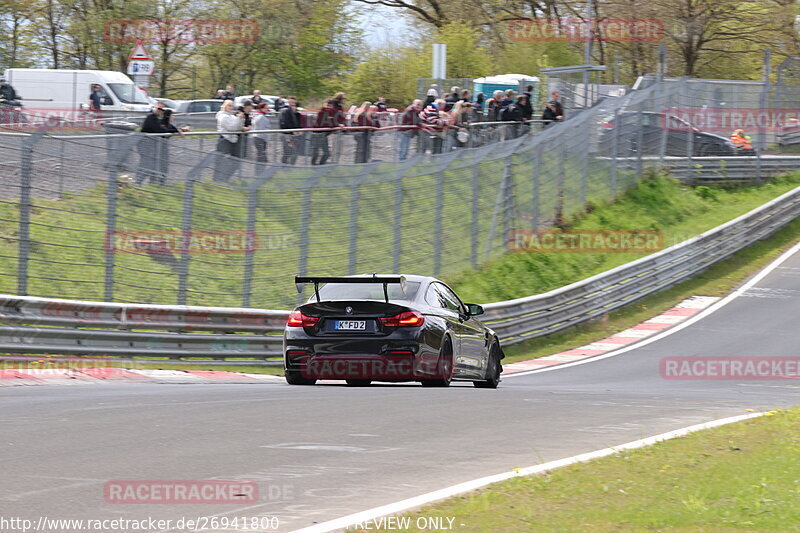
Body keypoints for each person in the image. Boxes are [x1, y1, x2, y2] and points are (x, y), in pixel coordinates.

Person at [214, 99, 245, 181]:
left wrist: (241, 119)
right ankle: (217, 180)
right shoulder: (222, 116)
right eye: (229, 105)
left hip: (233, 140)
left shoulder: (232, 116)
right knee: (221, 161)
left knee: (235, 161)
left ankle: (225, 178)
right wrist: (238, 119)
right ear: (225, 106)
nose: (231, 107)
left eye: (232, 106)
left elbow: (239, 128)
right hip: (225, 139)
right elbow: (231, 127)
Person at [312, 98, 344, 165]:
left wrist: (338, 124)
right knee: (318, 152)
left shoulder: (330, 112)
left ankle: (319, 166)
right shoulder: (324, 112)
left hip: (322, 134)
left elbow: (339, 119)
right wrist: (338, 124)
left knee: (323, 153)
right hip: (318, 134)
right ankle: (314, 166)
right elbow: (329, 122)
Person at [278, 96, 301, 165]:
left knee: (289, 152)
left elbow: (296, 122)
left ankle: (287, 167)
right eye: (291, 103)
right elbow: (284, 122)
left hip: (292, 135)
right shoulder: (284, 110)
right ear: (288, 102)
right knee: (290, 152)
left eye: (294, 103)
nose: (293, 104)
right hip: (286, 135)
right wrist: (292, 130)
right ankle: (286, 167)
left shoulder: (294, 112)